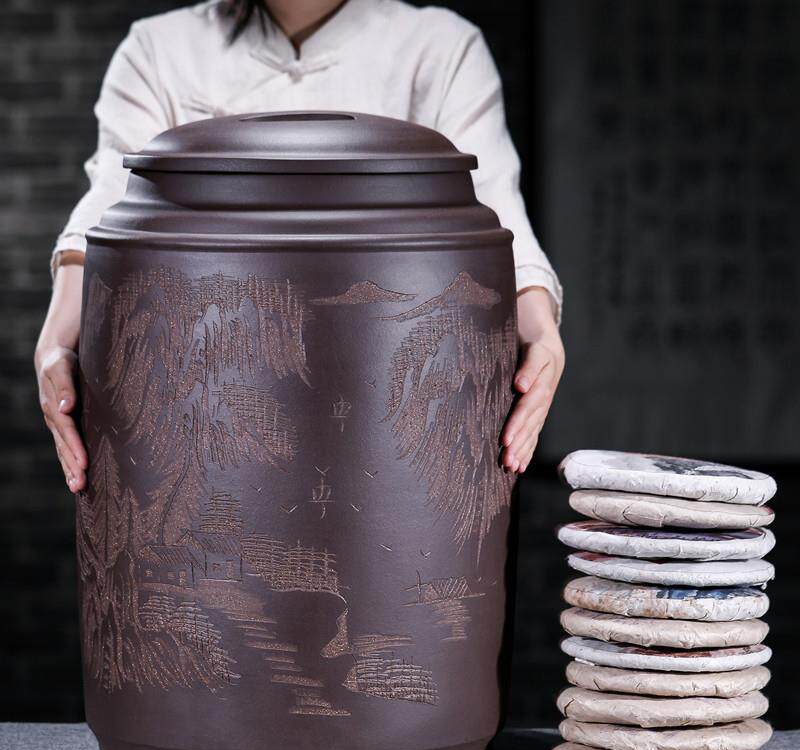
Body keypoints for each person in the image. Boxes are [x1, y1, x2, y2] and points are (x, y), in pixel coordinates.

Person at [34, 0, 565, 494]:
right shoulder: (159, 47)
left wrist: (541, 333)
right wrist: (57, 340)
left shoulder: (440, 46)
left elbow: (495, 205)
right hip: (202, 394)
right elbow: (113, 203)